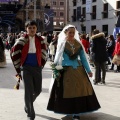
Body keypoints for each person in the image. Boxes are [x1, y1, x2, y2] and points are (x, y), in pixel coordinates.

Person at [47, 25, 100, 120]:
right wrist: (57, 70)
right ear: (66, 33)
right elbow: (58, 58)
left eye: (73, 32)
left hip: (78, 69)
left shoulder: (78, 44)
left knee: (80, 90)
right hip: (65, 70)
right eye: (70, 32)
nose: (71, 34)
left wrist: (88, 70)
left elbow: (83, 58)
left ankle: (76, 112)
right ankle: (68, 110)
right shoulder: (62, 44)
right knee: (66, 91)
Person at [10, 20, 47, 120]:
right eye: (29, 28)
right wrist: (19, 65)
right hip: (25, 68)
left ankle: (28, 104)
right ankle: (30, 114)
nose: (32, 29)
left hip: (37, 68)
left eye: (33, 28)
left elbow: (44, 52)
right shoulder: (22, 40)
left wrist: (41, 64)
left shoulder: (41, 40)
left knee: (38, 90)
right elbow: (14, 51)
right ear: (26, 29)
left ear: (36, 29)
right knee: (28, 91)